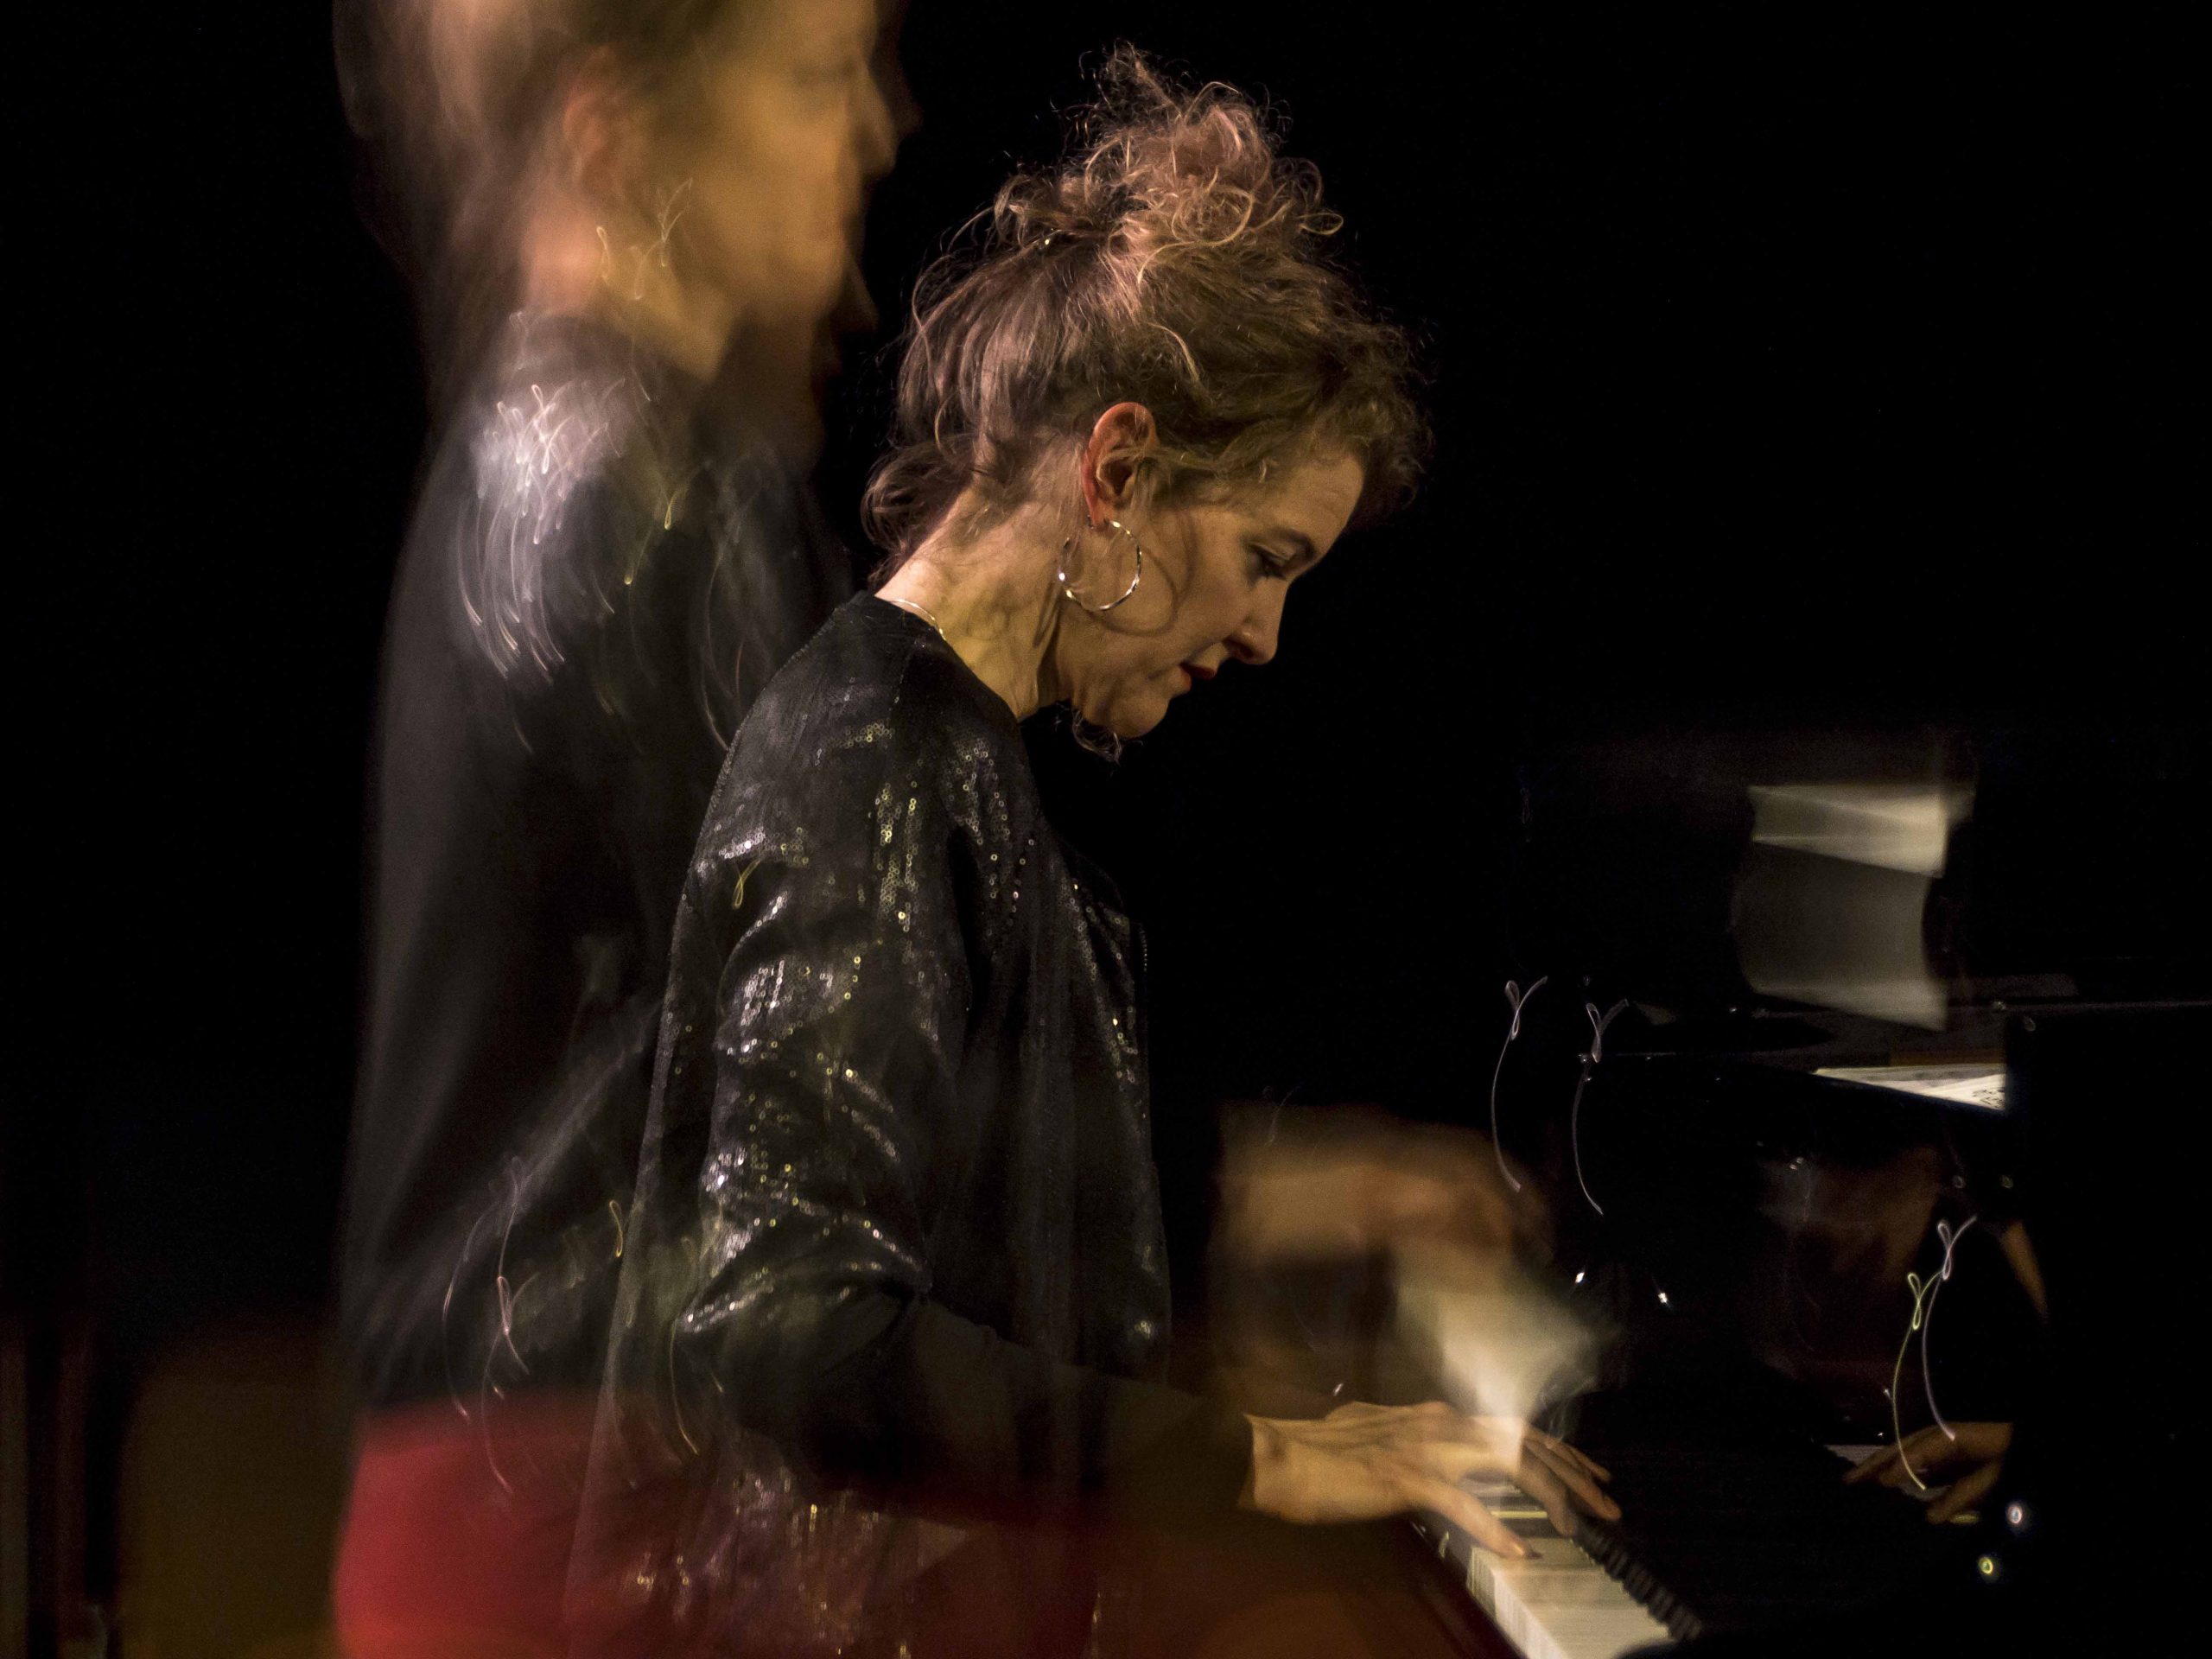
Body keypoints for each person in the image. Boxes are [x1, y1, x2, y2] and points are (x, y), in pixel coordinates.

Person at [566, 48, 1617, 1658]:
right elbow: (785, 1324)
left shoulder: (949, 760)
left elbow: (993, 1186)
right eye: (1265, 560)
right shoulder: (872, 761)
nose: (1266, 636)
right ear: (1119, 473)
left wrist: (1301, 1217)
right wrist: (1257, 1457)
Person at [329, 3, 902, 1654]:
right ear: (615, 133)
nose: (868, 132)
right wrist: (1227, 1211)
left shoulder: (518, 442)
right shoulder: (648, 483)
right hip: (576, 1540)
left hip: (470, 1521)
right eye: (814, 79)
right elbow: (845, 1076)